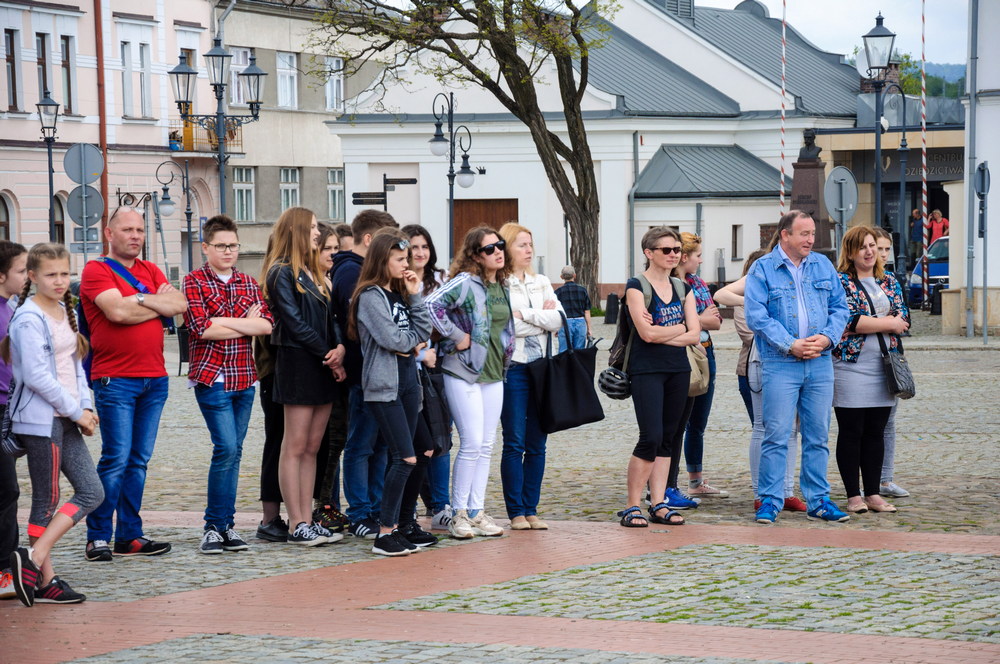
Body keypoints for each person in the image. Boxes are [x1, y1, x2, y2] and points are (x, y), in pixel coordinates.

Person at [81, 206, 187, 560]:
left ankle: (129, 535)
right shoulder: (97, 270)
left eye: (140, 230)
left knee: (139, 461)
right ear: (109, 234)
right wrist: (156, 303)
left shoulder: (151, 269)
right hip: (115, 380)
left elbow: (179, 304)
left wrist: (139, 299)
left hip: (154, 380)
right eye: (128, 229)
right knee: (116, 459)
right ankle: (98, 536)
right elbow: (117, 312)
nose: (135, 236)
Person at [6, 243, 102, 605]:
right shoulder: (28, 318)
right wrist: (76, 412)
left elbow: (76, 367)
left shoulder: (65, 310)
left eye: (65, 273)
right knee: (46, 500)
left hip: (68, 417)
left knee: (92, 491)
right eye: (51, 275)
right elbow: (37, 377)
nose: (60, 281)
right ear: (33, 276)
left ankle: (33, 556)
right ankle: (44, 579)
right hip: (40, 420)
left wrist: (86, 406)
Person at [744, 210, 851, 525]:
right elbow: (756, 316)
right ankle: (770, 500)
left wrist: (827, 338)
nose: (811, 240)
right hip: (780, 362)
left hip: (819, 361)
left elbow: (840, 307)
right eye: (804, 233)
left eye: (813, 233)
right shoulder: (763, 268)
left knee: (817, 435)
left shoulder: (822, 265)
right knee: (777, 434)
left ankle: (819, 501)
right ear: (785, 235)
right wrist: (789, 343)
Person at [183, 215, 273, 554]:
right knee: (226, 448)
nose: (228, 251)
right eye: (221, 246)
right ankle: (212, 527)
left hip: (243, 378)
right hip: (212, 378)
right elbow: (200, 328)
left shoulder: (248, 283)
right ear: (205, 248)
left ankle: (226, 527)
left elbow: (265, 326)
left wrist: (221, 321)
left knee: (234, 453)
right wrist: (242, 323)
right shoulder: (193, 281)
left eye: (233, 245)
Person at [263, 207, 346, 546]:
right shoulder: (281, 272)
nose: (316, 232)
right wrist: (328, 353)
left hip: (323, 364)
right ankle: (296, 522)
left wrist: (339, 348)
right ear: (296, 230)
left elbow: (331, 318)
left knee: (313, 447)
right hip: (298, 364)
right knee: (294, 446)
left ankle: (308, 520)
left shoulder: (315, 272)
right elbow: (294, 323)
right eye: (311, 227)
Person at [350, 229, 435, 555]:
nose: (406, 264)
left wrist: (414, 295)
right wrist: (413, 343)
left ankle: (403, 524)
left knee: (421, 451)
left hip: (409, 384)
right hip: (384, 388)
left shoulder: (400, 294)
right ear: (382, 260)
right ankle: (385, 533)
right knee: (404, 457)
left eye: (406, 259)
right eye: (399, 259)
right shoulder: (370, 297)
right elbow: (393, 340)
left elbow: (424, 332)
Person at [425, 226, 514, 539]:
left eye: (500, 245)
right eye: (490, 249)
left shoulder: (501, 285)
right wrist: (456, 335)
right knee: (472, 442)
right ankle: (458, 513)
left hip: (494, 372)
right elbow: (431, 305)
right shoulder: (465, 282)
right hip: (463, 370)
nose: (498, 252)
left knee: (487, 444)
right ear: (475, 255)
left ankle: (477, 511)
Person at [617, 227, 701, 529]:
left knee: (668, 438)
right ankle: (632, 505)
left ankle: (658, 502)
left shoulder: (682, 288)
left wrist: (667, 331)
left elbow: (695, 334)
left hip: (678, 369)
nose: (674, 255)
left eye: (676, 250)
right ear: (649, 253)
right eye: (667, 250)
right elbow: (646, 334)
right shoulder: (636, 286)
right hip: (647, 370)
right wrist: (678, 328)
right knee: (650, 437)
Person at [714, 250, 807, 513]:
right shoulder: (758, 278)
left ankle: (786, 491)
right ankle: (761, 492)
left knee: (791, 429)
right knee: (764, 428)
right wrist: (756, 301)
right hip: (762, 362)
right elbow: (723, 297)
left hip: (796, 360)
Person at [833, 227, 909, 514]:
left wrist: (874, 322)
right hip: (850, 366)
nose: (869, 252)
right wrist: (887, 322)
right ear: (850, 252)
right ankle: (854, 496)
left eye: (872, 246)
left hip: (884, 365)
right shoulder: (841, 281)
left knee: (876, 431)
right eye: (862, 247)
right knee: (852, 431)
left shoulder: (888, 279)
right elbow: (849, 320)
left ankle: (874, 493)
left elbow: (904, 318)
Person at [332, 210, 397, 539]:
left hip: (381, 374)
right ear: (370, 239)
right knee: (360, 445)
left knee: (380, 446)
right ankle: (359, 512)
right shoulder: (350, 272)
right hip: (362, 373)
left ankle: (374, 507)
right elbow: (358, 325)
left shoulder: (370, 272)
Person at [499, 222, 564, 531]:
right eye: (521, 245)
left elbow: (559, 319)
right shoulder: (499, 284)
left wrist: (525, 314)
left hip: (543, 367)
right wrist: (541, 319)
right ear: (507, 248)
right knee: (514, 441)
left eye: (530, 244)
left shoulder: (541, 282)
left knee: (538, 443)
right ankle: (515, 512)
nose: (528, 250)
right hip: (514, 367)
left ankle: (531, 509)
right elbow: (505, 327)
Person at [401, 224, 451, 533]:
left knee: (441, 435)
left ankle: (441, 505)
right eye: (414, 247)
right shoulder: (399, 282)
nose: (420, 253)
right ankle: (427, 502)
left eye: (424, 247)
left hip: (439, 366)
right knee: (418, 441)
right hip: (412, 366)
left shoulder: (441, 280)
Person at [671, 232, 726, 499]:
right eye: (698, 255)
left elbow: (716, 321)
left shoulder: (697, 283)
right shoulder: (667, 284)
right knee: (674, 422)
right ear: (684, 257)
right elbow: (666, 322)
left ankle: (696, 480)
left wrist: (692, 319)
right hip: (678, 353)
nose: (701, 260)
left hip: (705, 352)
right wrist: (696, 318)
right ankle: (665, 483)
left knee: (697, 422)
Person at [311, 222, 350, 534]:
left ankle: (328, 504)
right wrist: (333, 352)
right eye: (328, 249)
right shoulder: (313, 283)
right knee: (325, 443)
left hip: (338, 368)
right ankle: (322, 505)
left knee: (337, 441)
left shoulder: (331, 281)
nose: (334, 255)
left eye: (337, 249)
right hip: (320, 369)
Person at [0, 241, 26, 600]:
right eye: (21, 270)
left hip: (8, 409)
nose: (26, 276)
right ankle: (5, 569)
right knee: (7, 490)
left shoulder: (13, 308)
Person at [554, 265, 592, 352]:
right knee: (579, 351)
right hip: (580, 322)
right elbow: (587, 311)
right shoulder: (583, 290)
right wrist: (589, 329)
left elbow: (556, 312)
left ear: (561, 277)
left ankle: (564, 361)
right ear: (574, 275)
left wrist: (555, 328)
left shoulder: (558, 292)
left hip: (564, 322)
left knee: (563, 351)